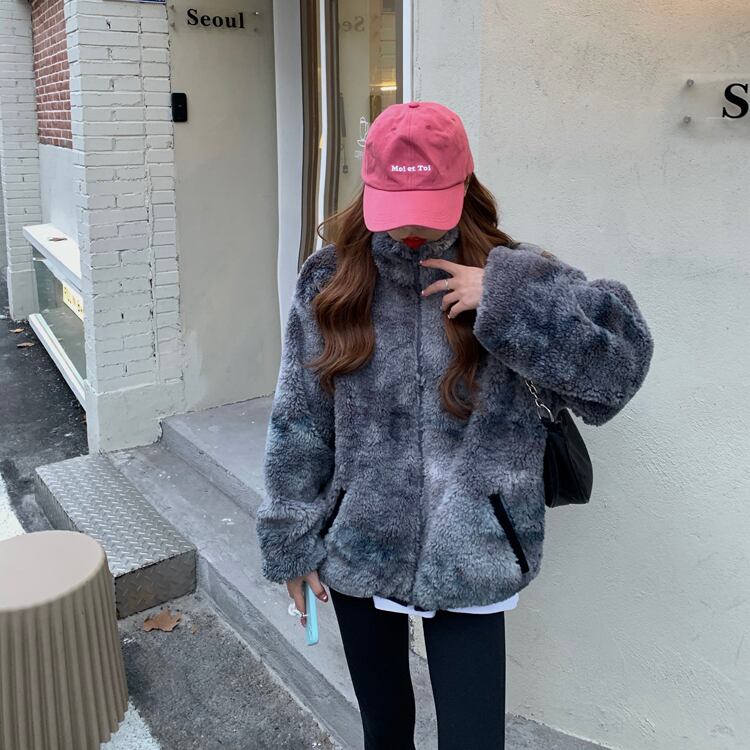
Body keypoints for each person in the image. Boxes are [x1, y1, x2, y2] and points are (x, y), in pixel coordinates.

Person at [255, 100, 655, 749]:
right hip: (359, 540)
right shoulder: (331, 279)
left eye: (428, 204)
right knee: (385, 731)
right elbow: (300, 418)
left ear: (464, 184)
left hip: (475, 546)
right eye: (397, 205)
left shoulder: (517, 274)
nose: (411, 226)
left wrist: (507, 300)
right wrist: (290, 538)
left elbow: (618, 373)